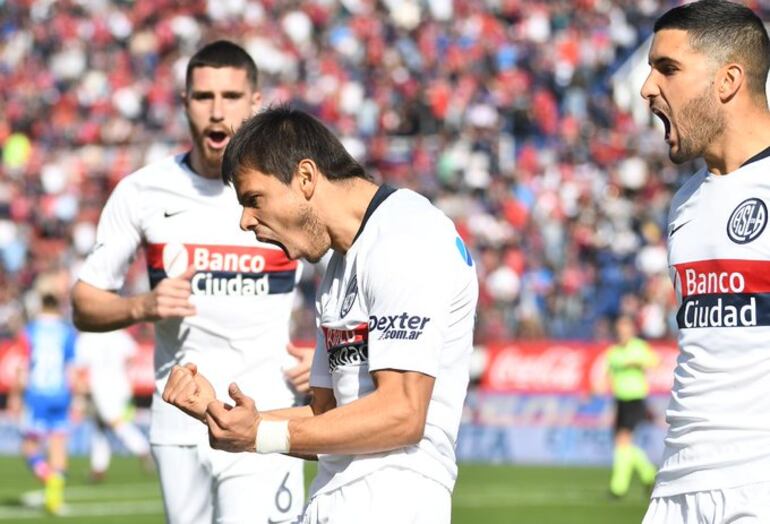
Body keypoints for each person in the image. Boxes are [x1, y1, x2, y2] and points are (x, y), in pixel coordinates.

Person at [162, 105, 479, 523]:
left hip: (391, 506)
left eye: (253, 199)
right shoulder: (340, 267)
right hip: (334, 503)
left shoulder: (406, 237)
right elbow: (327, 417)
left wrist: (260, 434)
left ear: (306, 177)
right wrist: (227, 417)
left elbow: (402, 413)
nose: (244, 221)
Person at [71, 41, 311, 524]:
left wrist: (325, 356)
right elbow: (83, 302)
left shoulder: (291, 190)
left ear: (255, 101)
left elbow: (352, 274)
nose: (217, 111)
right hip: (177, 421)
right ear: (185, 103)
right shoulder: (142, 191)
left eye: (231, 96)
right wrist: (142, 306)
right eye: (204, 96)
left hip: (266, 413)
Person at [640, 1, 770, 521]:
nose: (647, 87)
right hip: (677, 484)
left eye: (667, 68)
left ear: (728, 80)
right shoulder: (685, 203)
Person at [12, 292, 79, 515]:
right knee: (58, 444)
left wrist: (15, 396)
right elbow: (71, 369)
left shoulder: (29, 331)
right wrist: (77, 400)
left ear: (41, 306)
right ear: (58, 307)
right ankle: (55, 497)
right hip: (61, 395)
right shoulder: (67, 332)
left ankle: (46, 475)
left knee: (29, 446)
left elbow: (22, 367)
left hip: (36, 396)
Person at [75, 330, 152, 481]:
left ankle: (143, 449)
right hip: (121, 385)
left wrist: (80, 389)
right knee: (100, 426)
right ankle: (98, 468)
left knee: (114, 422)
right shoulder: (118, 333)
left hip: (100, 387)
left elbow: (80, 365)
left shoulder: (87, 337)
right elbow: (132, 355)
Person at [606, 315, 658, 498]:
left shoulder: (638, 347)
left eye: (625, 329)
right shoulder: (613, 351)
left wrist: (637, 362)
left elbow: (654, 362)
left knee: (623, 440)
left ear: (631, 330)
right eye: (620, 329)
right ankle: (648, 474)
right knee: (623, 443)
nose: (622, 332)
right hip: (620, 400)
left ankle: (618, 488)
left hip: (635, 399)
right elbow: (609, 375)